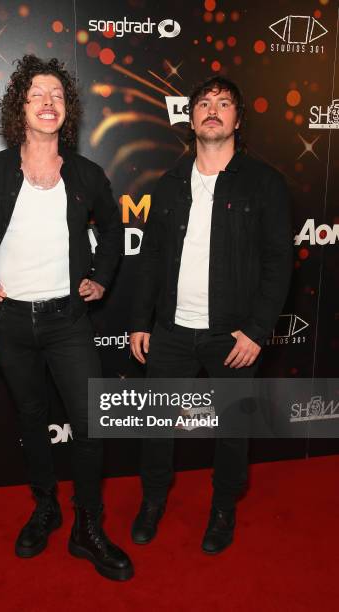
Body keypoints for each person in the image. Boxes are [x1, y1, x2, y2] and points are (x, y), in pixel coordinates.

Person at [0, 55, 133, 581]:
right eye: (37, 95)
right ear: (19, 108)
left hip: (69, 321)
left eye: (57, 96)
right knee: (31, 420)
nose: (48, 103)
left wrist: (102, 274)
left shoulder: (88, 175)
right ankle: (45, 507)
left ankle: (88, 525)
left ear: (67, 111)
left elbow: (112, 231)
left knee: (91, 425)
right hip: (12, 325)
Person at [130, 76, 293, 554]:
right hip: (172, 331)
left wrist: (258, 330)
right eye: (204, 103)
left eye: (224, 104)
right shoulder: (170, 184)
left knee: (232, 432)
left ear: (238, 120)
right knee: (157, 426)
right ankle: (153, 500)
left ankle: (223, 508)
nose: (213, 110)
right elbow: (152, 258)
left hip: (233, 334)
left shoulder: (264, 184)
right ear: (191, 118)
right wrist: (141, 320)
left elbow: (278, 262)